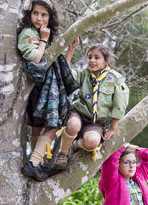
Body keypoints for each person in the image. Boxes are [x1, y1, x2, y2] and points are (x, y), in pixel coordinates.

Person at [18, 0, 79, 181]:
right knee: (53, 124)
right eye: (35, 13)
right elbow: (36, 60)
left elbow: (56, 68)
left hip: (46, 88)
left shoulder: (43, 35)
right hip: (38, 89)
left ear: (50, 18)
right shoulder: (28, 34)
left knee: (39, 127)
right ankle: (34, 162)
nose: (39, 18)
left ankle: (36, 163)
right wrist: (44, 40)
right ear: (29, 14)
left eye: (44, 15)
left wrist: (70, 52)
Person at [53, 39, 130, 168]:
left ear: (106, 61)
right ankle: (62, 154)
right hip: (79, 113)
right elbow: (66, 73)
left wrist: (113, 127)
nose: (92, 60)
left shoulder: (115, 78)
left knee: (92, 142)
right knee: (73, 125)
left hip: (95, 122)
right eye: (90, 57)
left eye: (97, 57)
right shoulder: (85, 75)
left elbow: (120, 103)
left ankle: (75, 144)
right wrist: (70, 51)